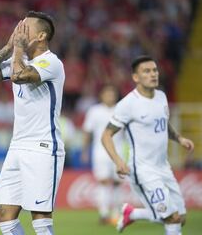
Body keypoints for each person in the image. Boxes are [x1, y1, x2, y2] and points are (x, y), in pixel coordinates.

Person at [0, 11, 65, 235]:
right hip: (17, 146)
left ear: (41, 35)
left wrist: (17, 50)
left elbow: (19, 76)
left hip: (43, 147)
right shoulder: (19, 58)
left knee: (40, 218)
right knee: (4, 215)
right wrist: (8, 47)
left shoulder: (51, 62)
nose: (19, 32)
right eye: (19, 27)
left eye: (25, 28)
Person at [101, 55, 194, 234]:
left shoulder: (161, 96)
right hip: (143, 170)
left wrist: (179, 138)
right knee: (171, 217)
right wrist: (119, 161)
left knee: (180, 218)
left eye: (154, 70)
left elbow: (162, 122)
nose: (153, 74)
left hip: (163, 167)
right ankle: (133, 214)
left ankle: (132, 214)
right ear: (136, 77)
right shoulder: (128, 104)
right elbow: (106, 135)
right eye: (146, 71)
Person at [81, 84, 124, 225]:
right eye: (107, 93)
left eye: (112, 93)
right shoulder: (94, 111)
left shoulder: (122, 110)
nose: (110, 96)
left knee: (118, 183)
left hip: (119, 150)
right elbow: (87, 131)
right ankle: (104, 213)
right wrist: (84, 150)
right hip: (100, 152)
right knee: (103, 182)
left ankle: (117, 213)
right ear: (101, 95)